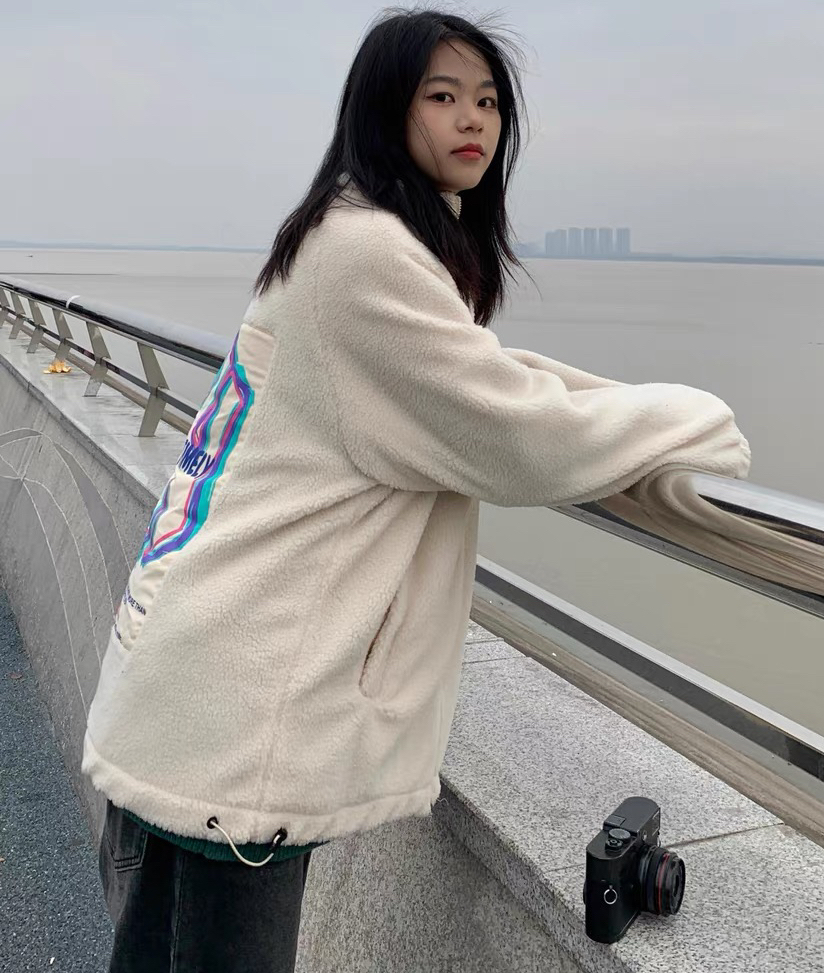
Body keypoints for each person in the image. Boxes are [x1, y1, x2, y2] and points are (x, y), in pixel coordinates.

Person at [83, 7, 751, 972]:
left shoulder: (347, 234)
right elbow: (511, 435)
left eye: (488, 101)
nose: (472, 119)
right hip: (242, 713)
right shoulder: (368, 256)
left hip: (203, 678)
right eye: (442, 96)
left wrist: (624, 403)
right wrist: (696, 420)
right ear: (385, 110)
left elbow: (480, 378)